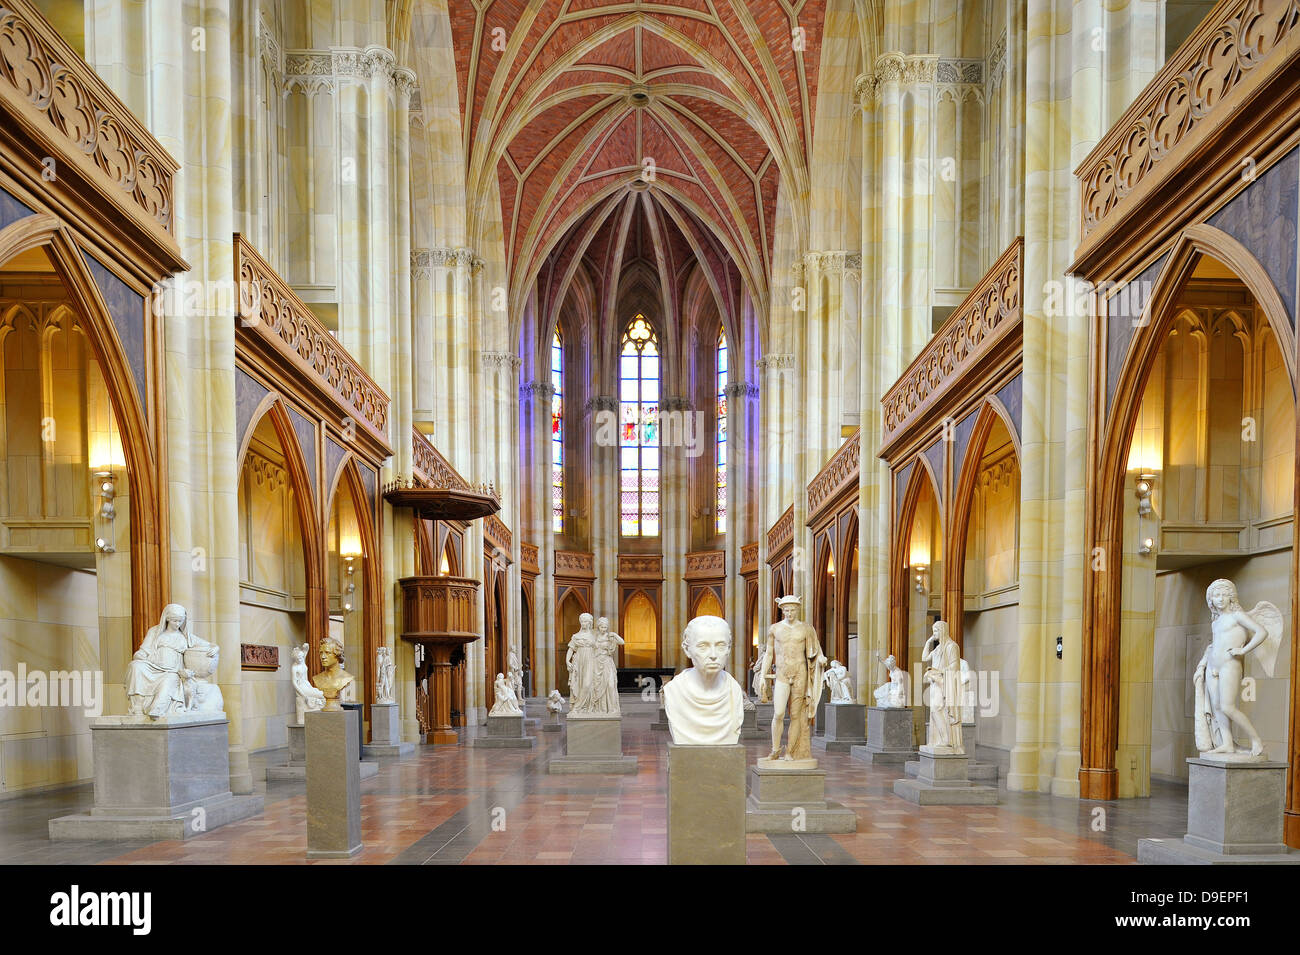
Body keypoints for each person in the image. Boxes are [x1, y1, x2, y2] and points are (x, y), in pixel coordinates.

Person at [1195, 579, 1282, 758]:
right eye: (1216, 595)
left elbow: (1262, 632)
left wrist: (1243, 650)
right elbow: (1216, 644)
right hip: (1213, 666)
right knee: (1218, 707)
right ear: (1211, 599)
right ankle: (1227, 743)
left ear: (1230, 597)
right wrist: (1205, 662)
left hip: (1230, 664)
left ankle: (1256, 739)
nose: (1220, 599)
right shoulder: (1216, 622)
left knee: (1228, 707)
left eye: (1223, 595)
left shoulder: (1237, 616)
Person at [125, 604, 221, 718]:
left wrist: (216, 647)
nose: (178, 624)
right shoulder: (155, 632)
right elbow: (143, 651)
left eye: (180, 621)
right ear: (167, 619)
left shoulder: (185, 636)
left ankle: (157, 709)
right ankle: (138, 707)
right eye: (175, 621)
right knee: (135, 666)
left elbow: (209, 645)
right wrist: (139, 656)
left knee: (169, 680)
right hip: (153, 665)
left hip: (173, 670)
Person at [662, 615, 745, 745]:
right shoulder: (674, 691)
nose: (713, 655)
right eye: (703, 646)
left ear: (728, 649)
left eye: (720, 646)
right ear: (687, 649)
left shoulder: (734, 691)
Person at [762, 595, 826, 762]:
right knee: (779, 713)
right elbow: (768, 654)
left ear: (797, 610)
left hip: (800, 673)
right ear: (782, 610)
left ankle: (790, 751)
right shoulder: (774, 629)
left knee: (797, 715)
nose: (789, 613)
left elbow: (816, 649)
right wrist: (762, 675)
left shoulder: (806, 629)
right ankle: (775, 749)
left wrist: (820, 658)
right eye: (786, 610)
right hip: (782, 674)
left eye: (792, 610)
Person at [921, 621, 962, 752]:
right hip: (935, 683)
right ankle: (939, 740)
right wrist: (928, 642)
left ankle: (946, 740)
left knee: (938, 710)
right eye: (933, 631)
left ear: (943, 631)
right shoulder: (938, 648)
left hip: (943, 683)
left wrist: (938, 671)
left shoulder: (951, 647)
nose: (934, 634)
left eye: (936, 631)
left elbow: (955, 666)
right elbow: (924, 658)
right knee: (934, 712)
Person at [591, 616, 625, 714]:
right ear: (598, 627)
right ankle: (600, 709)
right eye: (601, 627)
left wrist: (614, 634)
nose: (603, 629)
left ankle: (611, 708)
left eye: (605, 627)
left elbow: (622, 642)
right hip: (597, 663)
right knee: (597, 687)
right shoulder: (595, 636)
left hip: (607, 663)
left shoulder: (610, 636)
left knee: (610, 685)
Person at [565, 613, 598, 712]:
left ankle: (582, 706)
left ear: (589, 623)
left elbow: (600, 647)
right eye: (582, 621)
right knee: (579, 684)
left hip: (591, 660)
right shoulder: (576, 636)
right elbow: (571, 649)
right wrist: (567, 661)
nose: (583, 623)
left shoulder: (594, 635)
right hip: (579, 661)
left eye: (585, 621)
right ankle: (579, 707)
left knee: (588, 684)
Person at [315, 635, 356, 711]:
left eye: (327, 653)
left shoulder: (346, 678)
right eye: (321, 653)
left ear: (338, 655)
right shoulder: (317, 679)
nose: (323, 657)